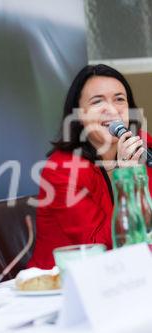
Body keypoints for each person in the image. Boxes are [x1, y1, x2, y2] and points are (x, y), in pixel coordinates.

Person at [28, 64, 152, 269]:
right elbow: (100, 247)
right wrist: (125, 176)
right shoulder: (61, 170)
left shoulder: (143, 147)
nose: (111, 109)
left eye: (119, 99)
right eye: (97, 101)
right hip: (64, 286)